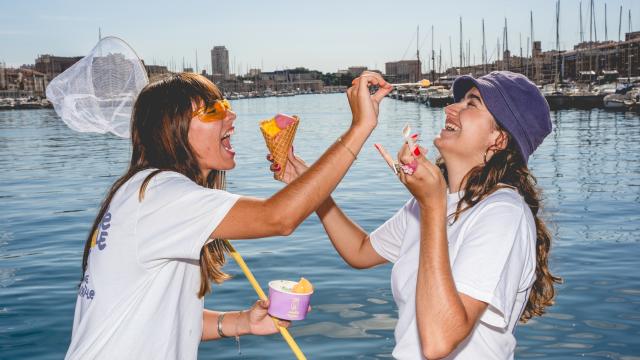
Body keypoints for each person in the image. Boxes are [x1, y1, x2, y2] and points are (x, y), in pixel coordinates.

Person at [65, 72, 392, 359]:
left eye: (225, 104)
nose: (232, 115)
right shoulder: (161, 194)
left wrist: (241, 322)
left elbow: (162, 317)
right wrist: (360, 127)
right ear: (172, 128)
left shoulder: (147, 191)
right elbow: (278, 218)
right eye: (214, 110)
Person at [268, 71, 561, 359]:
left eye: (471, 104)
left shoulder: (502, 213)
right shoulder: (434, 200)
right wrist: (311, 188)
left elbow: (439, 342)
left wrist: (432, 205)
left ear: (498, 139)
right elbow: (359, 252)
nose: (450, 107)